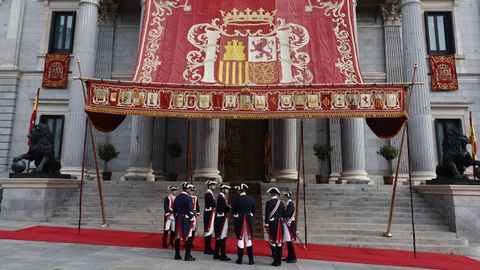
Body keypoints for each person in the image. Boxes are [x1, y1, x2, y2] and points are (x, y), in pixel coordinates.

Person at [231, 183, 255, 265]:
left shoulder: (236, 199)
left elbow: (233, 211)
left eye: (238, 190)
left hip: (239, 220)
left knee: (240, 239)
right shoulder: (251, 198)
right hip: (248, 220)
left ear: (240, 191)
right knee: (248, 240)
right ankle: (251, 260)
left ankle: (240, 260)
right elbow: (253, 210)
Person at [173, 182, 196, 261]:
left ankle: (177, 255)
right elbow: (190, 211)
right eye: (190, 189)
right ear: (186, 189)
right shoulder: (188, 198)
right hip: (185, 219)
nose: (190, 190)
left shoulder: (177, 197)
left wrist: (176, 217)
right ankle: (187, 256)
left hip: (178, 218)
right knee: (189, 237)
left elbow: (174, 210)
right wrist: (192, 221)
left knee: (178, 237)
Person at [264, 187, 285, 267]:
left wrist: (266, 224)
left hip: (272, 224)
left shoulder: (269, 202)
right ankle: (279, 260)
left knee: (272, 241)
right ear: (277, 194)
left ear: (271, 194)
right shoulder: (281, 203)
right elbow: (283, 214)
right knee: (279, 242)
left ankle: (275, 260)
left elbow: (267, 215)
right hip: (280, 223)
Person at [213, 183, 232, 261]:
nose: (227, 190)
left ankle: (216, 254)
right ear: (222, 189)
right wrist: (230, 208)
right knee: (222, 237)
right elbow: (225, 207)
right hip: (221, 219)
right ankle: (223, 255)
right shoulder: (221, 197)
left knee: (219, 237)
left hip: (221, 218)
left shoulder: (222, 197)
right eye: (226, 189)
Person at [282, 191, 297, 263]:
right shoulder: (288, 203)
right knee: (288, 241)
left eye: (284, 196)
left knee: (289, 241)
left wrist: (282, 213)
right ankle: (289, 256)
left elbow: (287, 214)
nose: (283, 197)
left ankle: (293, 257)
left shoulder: (290, 204)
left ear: (287, 196)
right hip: (288, 224)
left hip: (290, 224)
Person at [203, 180, 217, 254]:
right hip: (209, 214)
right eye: (213, 185)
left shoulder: (210, 193)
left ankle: (208, 248)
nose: (214, 187)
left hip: (211, 213)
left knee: (210, 231)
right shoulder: (208, 194)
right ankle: (207, 249)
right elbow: (213, 203)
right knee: (208, 231)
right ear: (209, 186)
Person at [185, 184, 200, 248]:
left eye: (193, 190)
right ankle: (186, 242)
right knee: (187, 228)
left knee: (193, 229)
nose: (192, 192)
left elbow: (197, 206)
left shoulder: (195, 198)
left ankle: (190, 242)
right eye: (191, 190)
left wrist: (198, 213)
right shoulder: (185, 197)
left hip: (193, 214)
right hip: (187, 215)